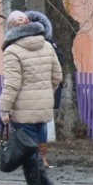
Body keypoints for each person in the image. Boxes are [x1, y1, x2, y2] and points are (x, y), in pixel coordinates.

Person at [0, 10, 63, 185]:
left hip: (23, 109)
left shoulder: (12, 51)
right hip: (43, 108)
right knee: (35, 149)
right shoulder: (46, 45)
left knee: (27, 151)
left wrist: (4, 109)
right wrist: (45, 93)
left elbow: (12, 84)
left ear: (11, 29)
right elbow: (57, 76)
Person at [24, 10, 64, 169]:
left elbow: (57, 67)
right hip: (44, 89)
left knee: (30, 124)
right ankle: (40, 158)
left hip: (32, 91)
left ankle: (35, 158)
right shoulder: (48, 44)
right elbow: (58, 67)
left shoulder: (26, 46)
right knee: (40, 124)